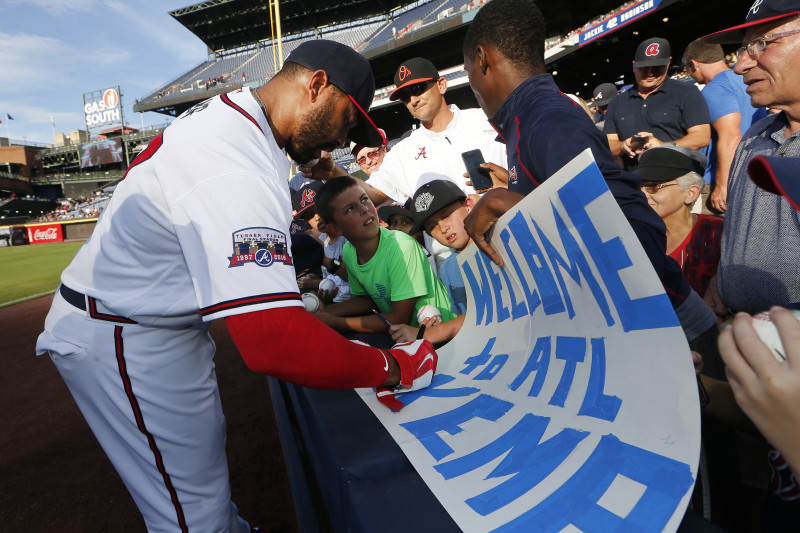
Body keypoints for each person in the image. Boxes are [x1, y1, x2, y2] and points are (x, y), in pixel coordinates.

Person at [34, 40, 438, 533]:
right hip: (123, 332)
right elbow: (274, 343)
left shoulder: (240, 122)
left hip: (155, 318)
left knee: (202, 479)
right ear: (315, 86)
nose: (340, 139)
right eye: (346, 119)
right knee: (191, 517)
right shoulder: (235, 159)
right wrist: (392, 366)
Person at [461, 0, 718, 345]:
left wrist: (504, 202)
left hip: (663, 324)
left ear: (481, 58)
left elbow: (637, 233)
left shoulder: (548, 120)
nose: (472, 85)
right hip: (624, 323)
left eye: (467, 73)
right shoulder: (528, 119)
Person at [703, 0, 800, 318]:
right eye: (744, 48)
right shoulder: (755, 135)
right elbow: (739, 227)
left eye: (759, 44)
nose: (739, 65)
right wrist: (724, 277)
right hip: (743, 333)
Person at [308, 57, 507, 205]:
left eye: (419, 88)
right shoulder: (403, 153)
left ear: (441, 85)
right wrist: (334, 172)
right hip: (451, 254)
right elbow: (373, 193)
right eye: (405, 96)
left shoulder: (485, 120)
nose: (413, 99)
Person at [312, 176, 456, 333]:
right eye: (350, 209)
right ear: (335, 230)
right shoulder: (348, 251)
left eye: (364, 199)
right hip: (407, 337)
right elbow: (368, 300)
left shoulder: (402, 246)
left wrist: (335, 321)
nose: (364, 209)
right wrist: (325, 312)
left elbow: (399, 317)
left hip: (442, 332)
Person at [604, 37, 712, 171]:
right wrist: (623, 146)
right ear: (634, 66)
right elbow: (608, 144)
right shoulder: (617, 102)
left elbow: (702, 136)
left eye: (657, 67)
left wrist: (663, 146)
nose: (650, 73)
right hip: (636, 182)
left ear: (668, 64)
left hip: (677, 178)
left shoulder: (686, 92)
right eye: (644, 68)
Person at [682, 37, 764, 213]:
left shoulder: (716, 87)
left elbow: (731, 136)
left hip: (723, 180)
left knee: (712, 238)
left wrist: (722, 185)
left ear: (694, 64)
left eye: (688, 69)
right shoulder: (746, 80)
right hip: (752, 173)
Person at [390, 180, 474, 345]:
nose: (443, 228)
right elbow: (466, 319)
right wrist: (436, 327)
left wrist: (433, 334)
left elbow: (490, 313)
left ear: (469, 204)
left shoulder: (498, 242)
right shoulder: (449, 269)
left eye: (446, 215)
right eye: (432, 226)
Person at [634, 146, 723, 298]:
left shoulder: (720, 234)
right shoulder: (629, 233)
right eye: (638, 185)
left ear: (691, 193)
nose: (642, 194)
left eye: (654, 186)